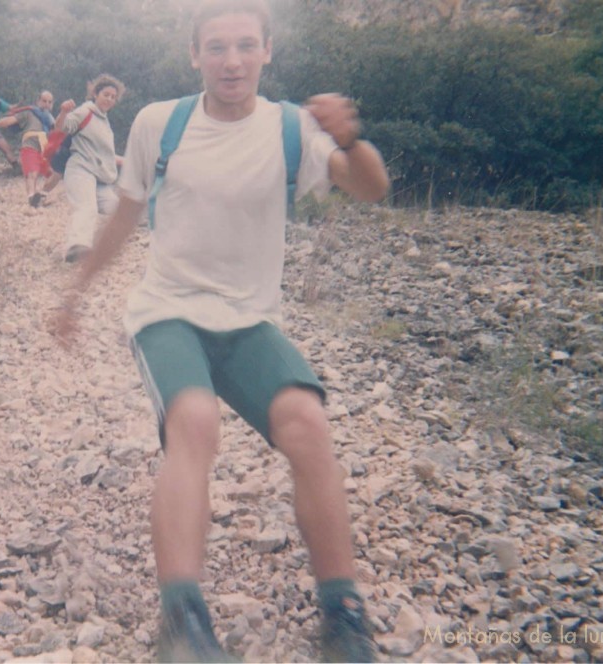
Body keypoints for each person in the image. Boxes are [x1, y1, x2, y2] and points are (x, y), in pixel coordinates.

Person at [52, 0, 390, 662]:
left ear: (267, 52)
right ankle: (183, 620)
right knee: (195, 423)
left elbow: (371, 187)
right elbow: (123, 216)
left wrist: (349, 138)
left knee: (309, 425)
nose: (231, 60)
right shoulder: (160, 123)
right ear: (194, 55)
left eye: (244, 46)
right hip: (168, 311)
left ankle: (344, 615)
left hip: (248, 318)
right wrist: (76, 293)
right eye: (216, 46)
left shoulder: (291, 128)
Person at [55, 74, 126, 264]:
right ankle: (77, 246)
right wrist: (63, 112)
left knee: (118, 210)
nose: (110, 99)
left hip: (100, 178)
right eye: (106, 94)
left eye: (113, 97)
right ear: (95, 93)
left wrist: (128, 161)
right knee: (86, 207)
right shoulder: (86, 111)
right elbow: (62, 128)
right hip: (81, 169)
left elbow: (106, 155)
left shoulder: (104, 121)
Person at [0, 90, 62, 207]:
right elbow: (9, 120)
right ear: (38, 101)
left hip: (45, 149)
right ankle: (31, 197)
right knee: (32, 174)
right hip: (30, 147)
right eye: (44, 101)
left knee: (56, 174)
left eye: (50, 102)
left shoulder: (52, 120)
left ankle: (42, 195)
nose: (47, 104)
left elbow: (59, 133)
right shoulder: (29, 112)